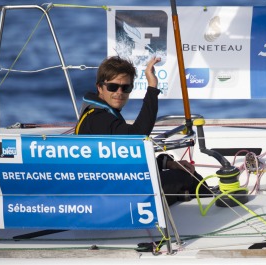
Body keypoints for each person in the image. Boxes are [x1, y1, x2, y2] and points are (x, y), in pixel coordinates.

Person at [75, 56, 210, 205]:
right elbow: (137, 135)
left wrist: (163, 163)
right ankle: (215, 207)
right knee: (186, 176)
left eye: (126, 88)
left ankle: (198, 199)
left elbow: (124, 162)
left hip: (112, 188)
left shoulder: (96, 114)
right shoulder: (99, 118)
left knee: (178, 174)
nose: (119, 92)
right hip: (110, 199)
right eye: (112, 87)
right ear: (100, 87)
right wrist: (152, 87)